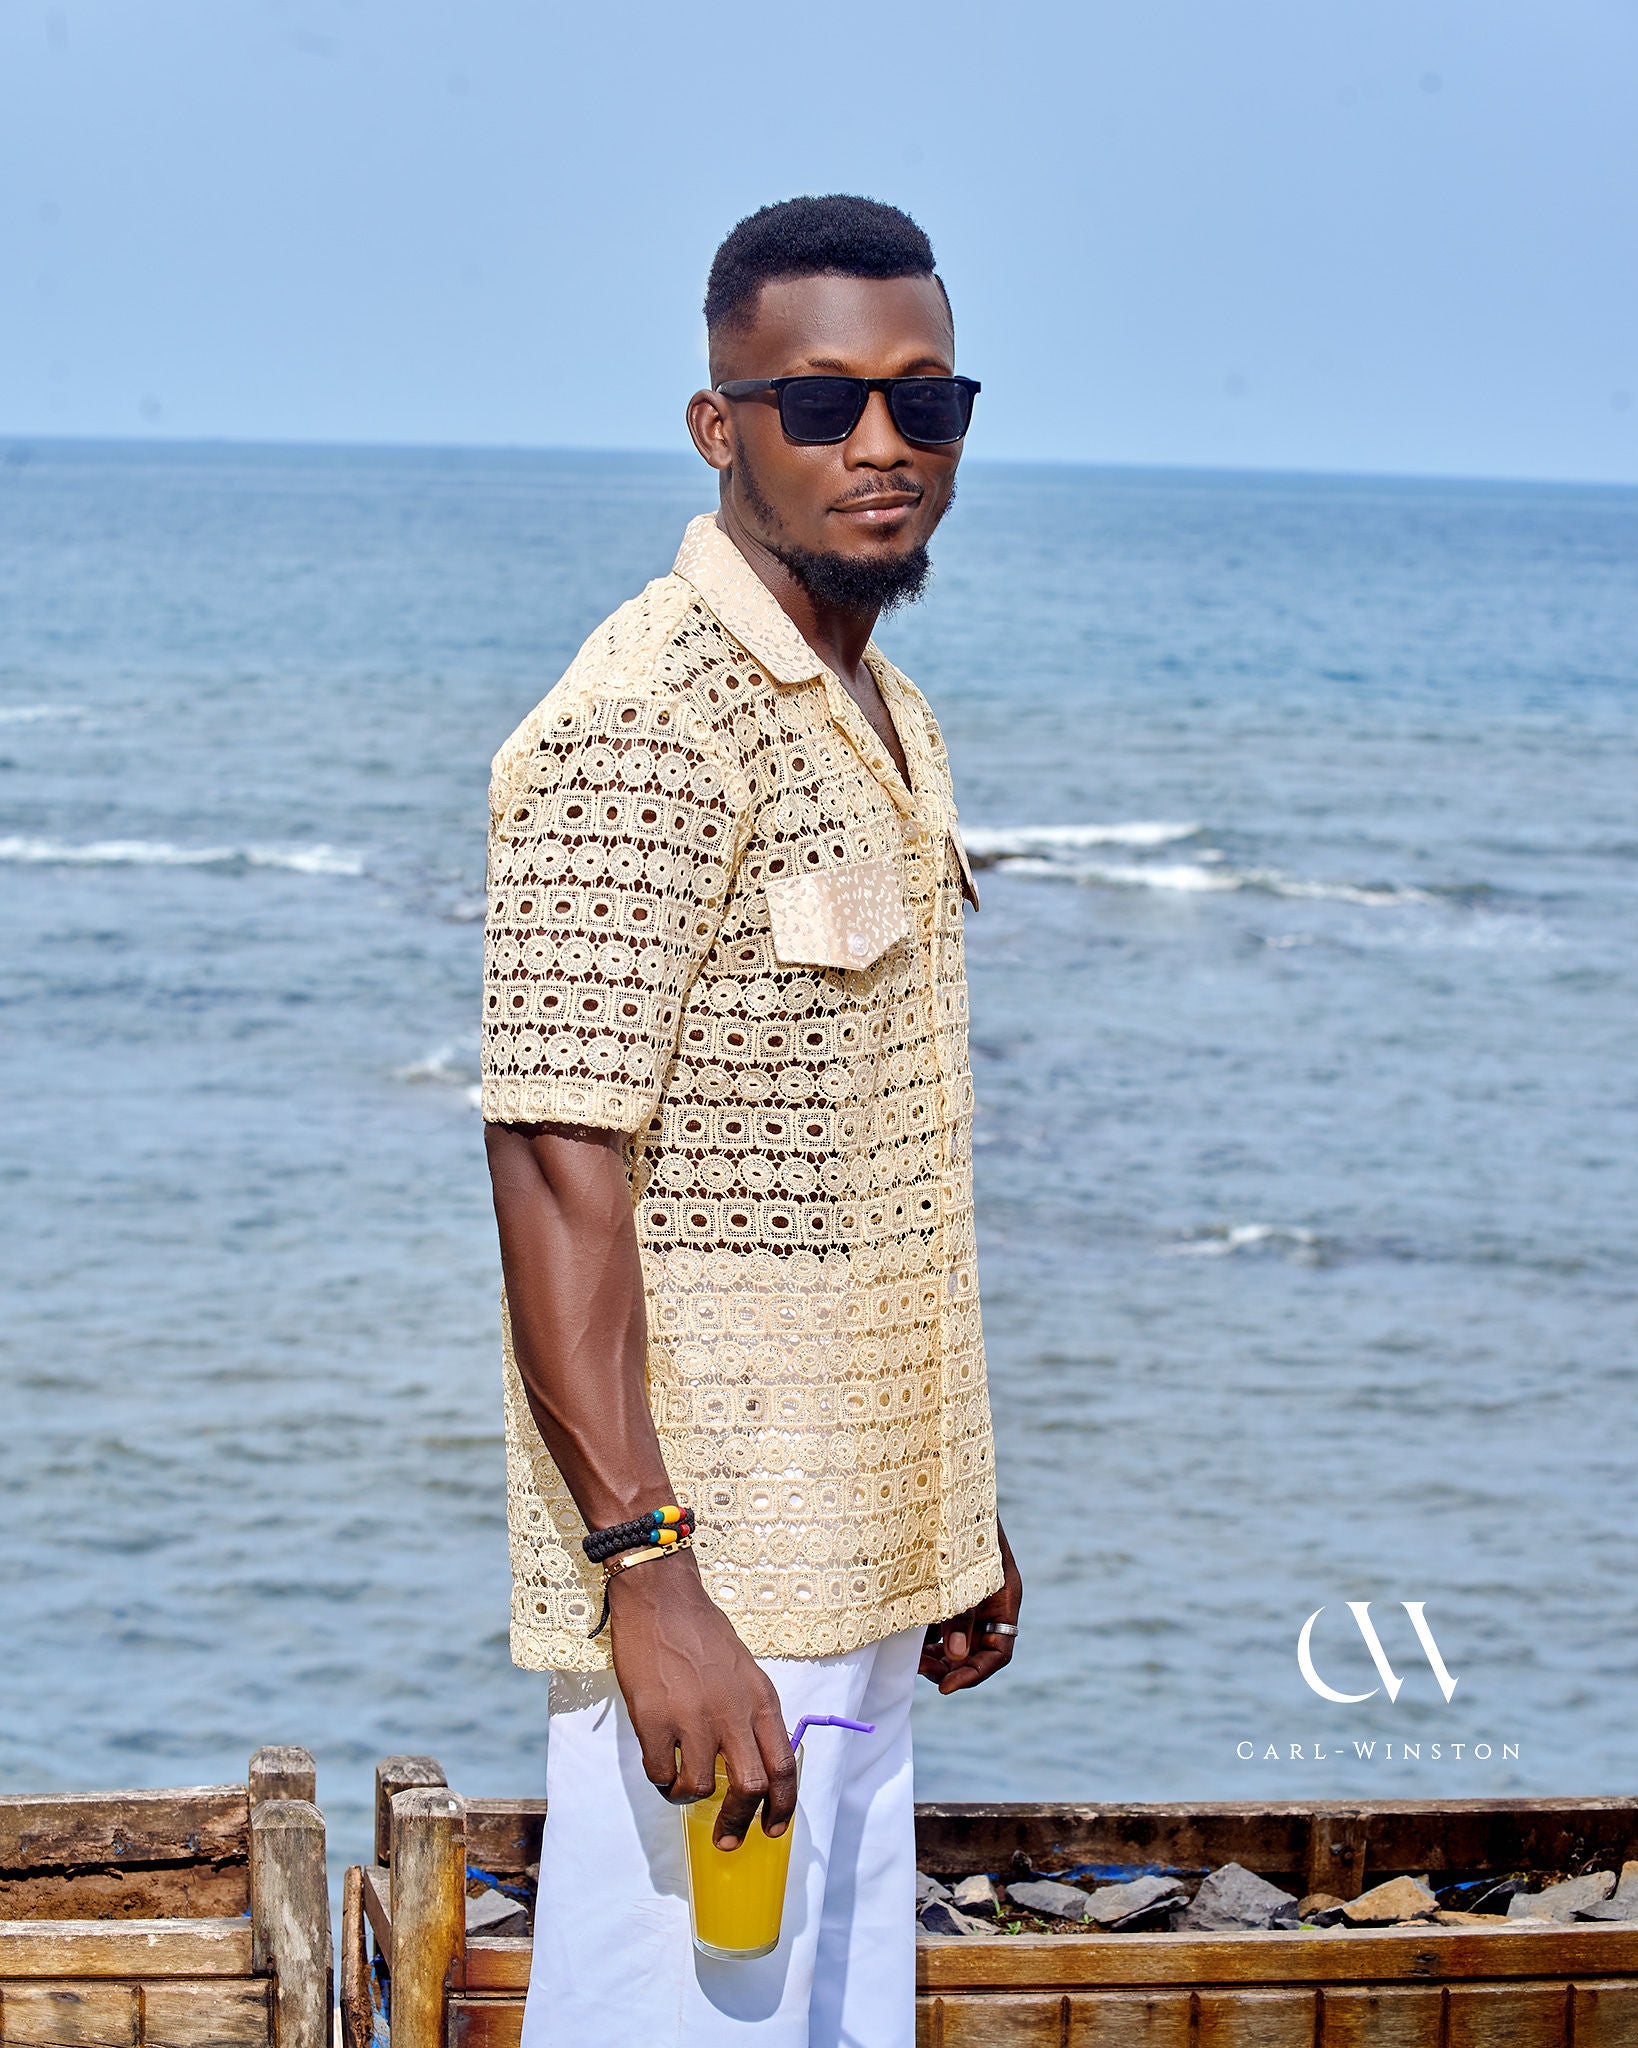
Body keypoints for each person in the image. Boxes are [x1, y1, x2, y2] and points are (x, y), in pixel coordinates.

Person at [482, 193, 1021, 2048]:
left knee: (831, 2027)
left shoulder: (883, 708)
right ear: (720, 428)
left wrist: (955, 1517)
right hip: (713, 1594)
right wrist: (650, 1579)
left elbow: (871, 1161)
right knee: (680, 2024)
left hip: (860, 1564)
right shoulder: (644, 722)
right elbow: (560, 1158)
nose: (881, 450)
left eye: (923, 405)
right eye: (820, 406)